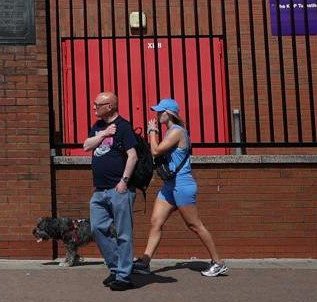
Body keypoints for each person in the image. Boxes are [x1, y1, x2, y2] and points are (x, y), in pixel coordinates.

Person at [134, 99, 227, 277]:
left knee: (194, 225)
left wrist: (152, 132)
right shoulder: (170, 131)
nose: (157, 115)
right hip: (170, 185)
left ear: (168, 113)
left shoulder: (177, 131)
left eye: (160, 112)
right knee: (156, 222)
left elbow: (156, 151)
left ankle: (218, 262)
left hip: (183, 185)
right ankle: (145, 262)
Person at [80, 91, 140, 290]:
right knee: (98, 228)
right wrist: (104, 134)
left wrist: (124, 181)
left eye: (98, 104)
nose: (94, 107)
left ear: (110, 106)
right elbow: (86, 146)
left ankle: (123, 276)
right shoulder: (98, 127)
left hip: (119, 189)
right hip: (100, 190)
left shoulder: (124, 127)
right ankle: (115, 268)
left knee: (123, 233)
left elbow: (132, 156)